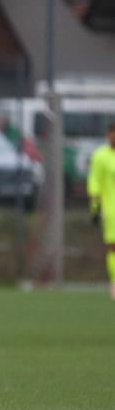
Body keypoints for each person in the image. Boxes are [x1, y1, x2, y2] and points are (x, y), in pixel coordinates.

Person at [87, 121, 115, 300]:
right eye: (112, 133)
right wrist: (95, 209)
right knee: (113, 248)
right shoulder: (100, 156)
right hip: (111, 210)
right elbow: (95, 182)